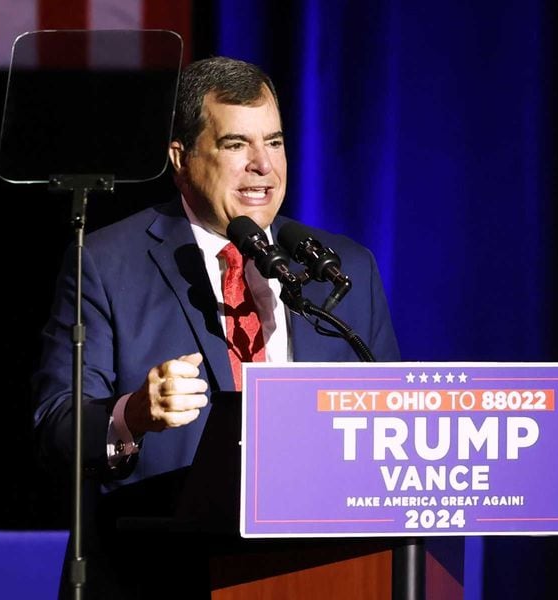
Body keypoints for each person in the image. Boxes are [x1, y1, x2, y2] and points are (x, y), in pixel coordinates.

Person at [32, 56, 400, 599]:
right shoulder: (107, 262)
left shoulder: (339, 268)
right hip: (159, 571)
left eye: (273, 143)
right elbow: (55, 425)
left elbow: (393, 420)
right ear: (180, 158)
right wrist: (131, 413)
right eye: (236, 145)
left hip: (323, 571)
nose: (263, 166)